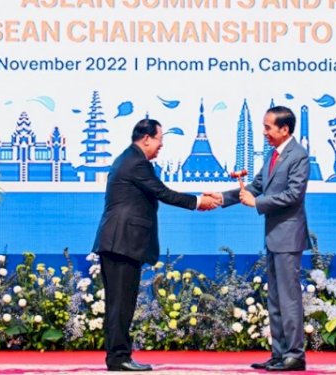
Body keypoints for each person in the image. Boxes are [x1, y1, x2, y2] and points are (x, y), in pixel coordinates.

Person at [91, 118, 218, 372]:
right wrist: (197, 202)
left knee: (120, 303)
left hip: (119, 242)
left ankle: (119, 356)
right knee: (121, 304)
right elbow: (163, 192)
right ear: (146, 138)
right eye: (160, 140)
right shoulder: (137, 163)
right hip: (122, 243)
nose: (161, 146)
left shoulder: (128, 159)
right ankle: (118, 359)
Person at [206, 106, 311, 371]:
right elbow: (255, 186)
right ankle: (279, 354)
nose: (264, 132)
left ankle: (295, 355)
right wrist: (222, 198)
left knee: (288, 299)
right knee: (275, 299)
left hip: (289, 237)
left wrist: (258, 202)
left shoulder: (298, 156)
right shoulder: (274, 155)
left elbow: (292, 195)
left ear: (284, 129)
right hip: (275, 237)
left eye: (268, 127)